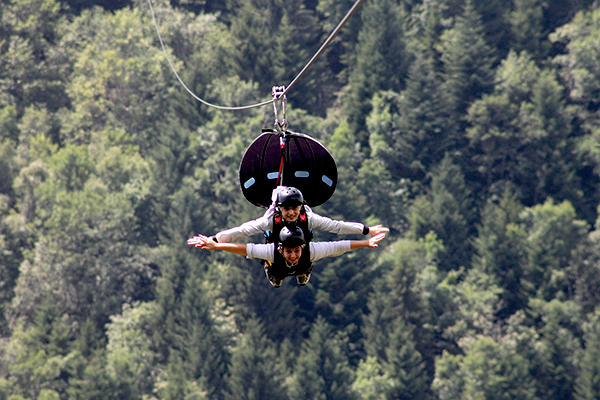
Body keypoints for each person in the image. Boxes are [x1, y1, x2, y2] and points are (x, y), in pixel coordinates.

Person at [188, 226, 386, 288]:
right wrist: (217, 245)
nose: (293, 255)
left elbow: (339, 246)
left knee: (303, 265)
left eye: (296, 251)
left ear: (302, 247)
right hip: (276, 267)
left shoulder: (311, 251)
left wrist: (365, 242)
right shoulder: (271, 252)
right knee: (276, 272)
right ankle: (274, 274)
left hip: (304, 264)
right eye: (289, 251)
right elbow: (243, 248)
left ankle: (303, 272)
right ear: (281, 249)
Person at [210, 186, 389, 245]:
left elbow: (337, 227)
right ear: (279, 209)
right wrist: (215, 240)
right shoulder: (269, 220)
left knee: (305, 242)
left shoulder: (309, 218)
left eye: (295, 208)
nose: (291, 213)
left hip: (302, 240)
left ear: (301, 207)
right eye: (287, 209)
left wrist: (366, 230)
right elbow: (241, 231)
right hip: (275, 240)